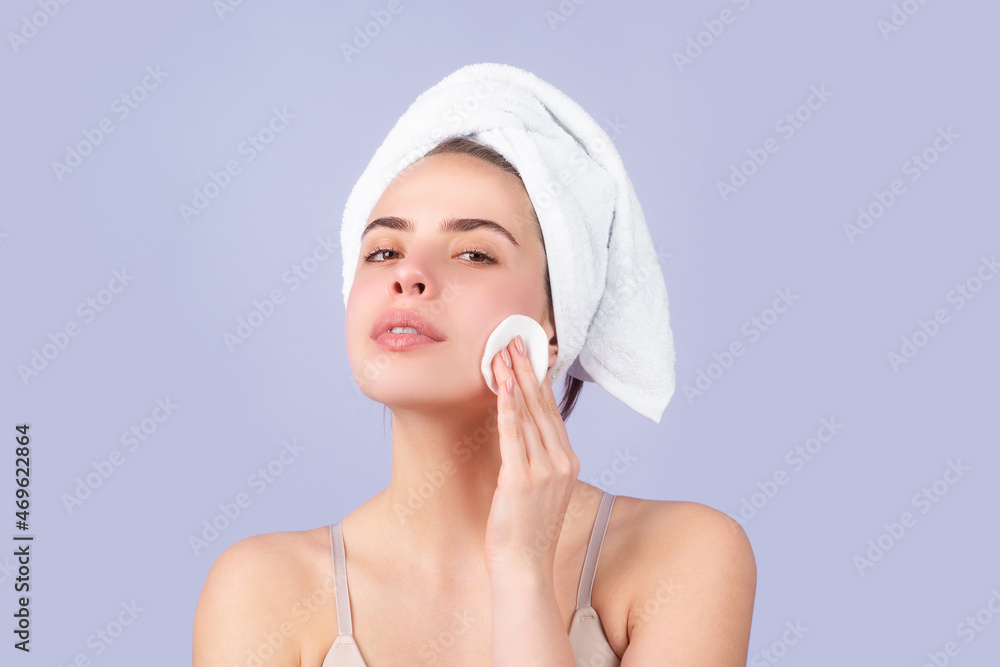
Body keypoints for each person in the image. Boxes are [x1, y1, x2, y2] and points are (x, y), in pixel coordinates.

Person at [193, 134, 755, 665]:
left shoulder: (683, 555)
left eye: (473, 255)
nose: (409, 274)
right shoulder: (261, 587)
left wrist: (522, 570)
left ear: (554, 324)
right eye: (383, 251)